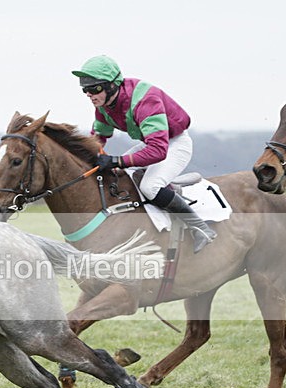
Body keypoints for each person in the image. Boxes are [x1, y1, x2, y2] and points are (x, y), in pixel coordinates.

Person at [71, 55, 216, 253]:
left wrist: (116, 160)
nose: (90, 95)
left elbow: (158, 150)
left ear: (113, 85)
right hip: (151, 143)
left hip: (174, 144)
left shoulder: (144, 101)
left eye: (95, 89)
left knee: (149, 186)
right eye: (85, 90)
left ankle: (201, 228)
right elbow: (98, 138)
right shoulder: (103, 106)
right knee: (120, 176)